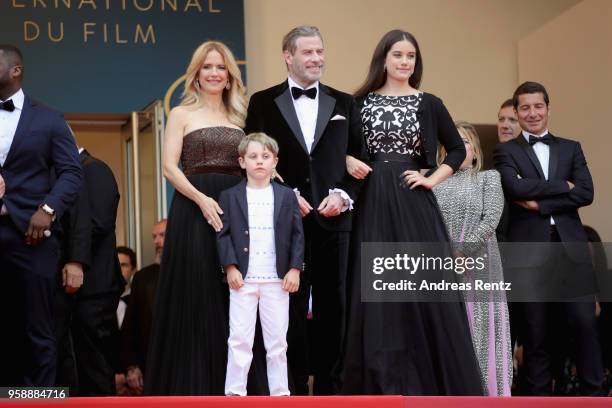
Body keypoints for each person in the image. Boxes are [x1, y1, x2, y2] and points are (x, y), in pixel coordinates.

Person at [340, 30, 482, 395]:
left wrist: (433, 178)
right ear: (383, 59)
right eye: (398, 55)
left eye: (411, 57)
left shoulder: (429, 102)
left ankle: (427, 383)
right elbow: (338, 149)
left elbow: (455, 149)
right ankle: (381, 384)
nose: (405, 62)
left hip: (413, 201)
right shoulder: (358, 103)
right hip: (371, 201)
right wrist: (348, 158)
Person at [244, 25, 365, 395]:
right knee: (286, 309)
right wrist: (285, 194)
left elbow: (361, 160)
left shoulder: (346, 102)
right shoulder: (262, 102)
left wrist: (343, 196)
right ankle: (290, 391)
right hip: (283, 222)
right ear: (288, 56)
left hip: (335, 222)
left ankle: (332, 391)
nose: (316, 59)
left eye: (320, 52)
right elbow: (253, 158)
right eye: (308, 52)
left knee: (336, 309)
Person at [145, 41, 247, 395]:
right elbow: (169, 168)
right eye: (207, 67)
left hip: (235, 211)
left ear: (230, 75)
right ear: (197, 74)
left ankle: (231, 387)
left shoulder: (242, 118)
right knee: (196, 291)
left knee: (232, 295)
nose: (215, 73)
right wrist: (202, 200)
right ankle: (191, 387)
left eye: (221, 67)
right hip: (193, 210)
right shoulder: (181, 114)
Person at [494, 81, 604, 396]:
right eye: (525, 107)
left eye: (538, 106)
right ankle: (538, 401)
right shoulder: (505, 150)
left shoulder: (572, 147)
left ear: (548, 108)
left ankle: (595, 396)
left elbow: (587, 192)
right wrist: (563, 186)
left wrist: (540, 202)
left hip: (570, 248)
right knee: (536, 334)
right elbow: (515, 189)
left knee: (584, 324)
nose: (532, 113)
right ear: (516, 112)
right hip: (529, 253)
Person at [0, 44, 82, 386]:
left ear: (15, 70)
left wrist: (47, 210)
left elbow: (71, 172)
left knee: (38, 326)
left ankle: (39, 400)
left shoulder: (48, 118)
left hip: (30, 237)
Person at [217, 133, 304, 396]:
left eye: (265, 157)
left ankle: (280, 393)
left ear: (275, 161)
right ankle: (234, 392)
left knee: (277, 340)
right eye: (253, 157)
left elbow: (297, 234)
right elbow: (223, 234)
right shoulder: (229, 196)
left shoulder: (287, 196)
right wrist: (230, 267)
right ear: (241, 162)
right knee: (240, 338)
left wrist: (295, 268)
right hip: (243, 279)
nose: (259, 162)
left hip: (277, 279)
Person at [433, 121, 512, 396]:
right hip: (440, 268)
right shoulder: (432, 182)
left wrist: (462, 252)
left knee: (479, 329)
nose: (459, 146)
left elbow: (490, 218)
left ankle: (484, 393)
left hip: (479, 264)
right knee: (448, 333)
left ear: (476, 152)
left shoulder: (488, 178)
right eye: (453, 141)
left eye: (465, 141)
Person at [55, 146, 123, 396]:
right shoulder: (67, 172)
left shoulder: (95, 169)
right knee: (74, 366)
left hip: (95, 286)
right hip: (76, 287)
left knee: (94, 365)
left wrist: (52, 243)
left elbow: (98, 223)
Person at [121, 219, 166, 395]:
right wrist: (131, 367)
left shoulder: (192, 273)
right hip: (150, 366)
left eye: (162, 235)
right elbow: (131, 325)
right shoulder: (143, 277)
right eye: (154, 236)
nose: (156, 241)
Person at [117, 246, 137, 329]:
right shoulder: (99, 302)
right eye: (116, 265)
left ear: (133, 270)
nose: (118, 269)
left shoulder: (139, 299)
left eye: (123, 265)